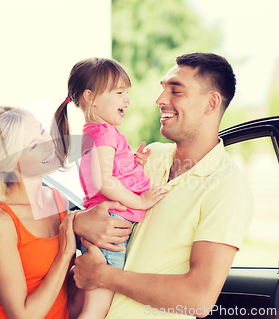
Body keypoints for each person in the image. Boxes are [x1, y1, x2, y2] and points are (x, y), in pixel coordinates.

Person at [72, 53, 255, 318]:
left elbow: (198, 298)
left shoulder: (228, 187)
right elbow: (98, 199)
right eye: (162, 89)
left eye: (175, 91)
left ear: (211, 102)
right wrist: (78, 221)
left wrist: (104, 276)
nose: (160, 100)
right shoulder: (151, 157)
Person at [51, 57, 166, 318]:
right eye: (119, 92)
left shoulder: (96, 131)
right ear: (90, 97)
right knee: (97, 310)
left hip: (103, 225)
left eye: (127, 92)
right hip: (110, 228)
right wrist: (141, 201)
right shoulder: (104, 133)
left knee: (80, 306)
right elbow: (103, 181)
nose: (127, 99)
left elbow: (105, 174)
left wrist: (131, 164)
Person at [0, 106, 80, 319]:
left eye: (42, 131)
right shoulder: (1, 221)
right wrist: (65, 254)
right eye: (33, 145)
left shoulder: (57, 199)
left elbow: (60, 288)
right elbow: (23, 315)